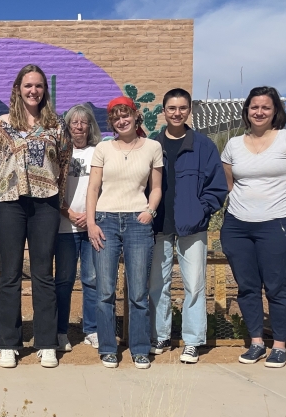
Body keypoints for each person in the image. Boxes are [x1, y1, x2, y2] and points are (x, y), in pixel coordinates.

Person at [220, 86, 286, 369]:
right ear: (247, 111)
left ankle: (280, 345)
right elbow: (229, 184)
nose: (259, 112)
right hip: (237, 225)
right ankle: (256, 342)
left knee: (276, 286)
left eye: (266, 107)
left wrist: (282, 206)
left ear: (275, 112)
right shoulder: (234, 144)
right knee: (247, 287)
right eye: (254, 107)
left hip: (277, 225)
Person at [0, 64, 71, 369]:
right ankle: (8, 344)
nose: (33, 91)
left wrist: (54, 195)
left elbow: (63, 162)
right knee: (9, 272)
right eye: (28, 86)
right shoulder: (1, 123)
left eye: (38, 86)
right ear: (18, 89)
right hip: (10, 203)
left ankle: (46, 342)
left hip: (45, 205)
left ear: (44, 90)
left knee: (42, 273)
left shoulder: (56, 124)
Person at [148, 89, 228, 364]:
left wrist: (200, 210)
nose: (177, 113)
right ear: (164, 111)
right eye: (172, 108)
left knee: (194, 284)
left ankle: (192, 341)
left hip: (192, 226)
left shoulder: (203, 146)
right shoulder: (152, 145)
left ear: (188, 110)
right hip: (158, 225)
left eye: (182, 108)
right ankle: (160, 335)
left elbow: (217, 187)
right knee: (158, 284)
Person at [85, 96, 162, 370]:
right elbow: (93, 188)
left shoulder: (153, 147)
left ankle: (140, 348)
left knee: (138, 292)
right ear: (112, 122)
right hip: (105, 220)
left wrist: (150, 211)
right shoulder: (103, 148)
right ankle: (108, 348)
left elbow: (156, 187)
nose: (121, 120)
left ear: (135, 115)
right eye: (116, 116)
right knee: (105, 291)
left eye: (125, 114)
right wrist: (92, 223)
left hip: (138, 222)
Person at [54, 103, 102, 352]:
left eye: (84, 122)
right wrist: (69, 213)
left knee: (92, 279)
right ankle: (61, 331)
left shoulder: (99, 152)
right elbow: (52, 188)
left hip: (91, 227)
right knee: (63, 280)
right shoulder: (61, 154)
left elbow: (103, 189)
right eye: (74, 122)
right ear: (67, 126)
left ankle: (92, 329)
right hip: (64, 228)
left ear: (90, 126)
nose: (79, 126)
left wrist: (89, 217)